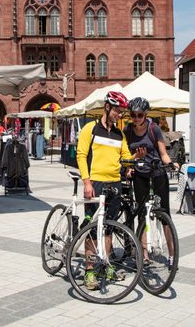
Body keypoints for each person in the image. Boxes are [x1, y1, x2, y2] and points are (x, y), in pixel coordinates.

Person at [76, 91, 146, 290]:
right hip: (95, 182)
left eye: (122, 111)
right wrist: (87, 182)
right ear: (107, 107)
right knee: (92, 228)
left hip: (114, 183)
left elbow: (125, 156)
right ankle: (89, 271)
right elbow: (81, 156)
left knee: (109, 227)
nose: (120, 115)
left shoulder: (119, 133)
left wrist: (135, 158)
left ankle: (105, 264)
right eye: (118, 110)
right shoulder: (91, 129)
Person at [124, 97, 177, 266]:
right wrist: (130, 165)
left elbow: (163, 153)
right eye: (133, 115)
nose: (136, 118)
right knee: (141, 215)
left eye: (140, 115)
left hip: (157, 172)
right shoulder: (128, 130)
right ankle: (144, 253)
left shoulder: (154, 129)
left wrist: (170, 163)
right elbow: (126, 156)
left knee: (164, 215)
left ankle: (172, 254)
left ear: (145, 114)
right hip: (140, 174)